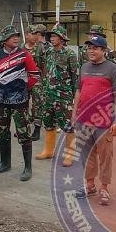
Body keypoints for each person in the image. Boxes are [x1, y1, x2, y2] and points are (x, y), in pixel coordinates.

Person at [72, 35, 116, 205]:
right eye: (89, 48)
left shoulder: (112, 69)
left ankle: (104, 188)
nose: (91, 51)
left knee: (105, 155)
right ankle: (90, 184)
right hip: (83, 120)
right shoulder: (84, 67)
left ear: (103, 50)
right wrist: (74, 114)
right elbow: (79, 91)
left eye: (95, 48)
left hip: (104, 121)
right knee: (86, 155)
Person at [0, 25, 40, 181]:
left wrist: (24, 89)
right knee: (2, 131)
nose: (16, 38)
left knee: (24, 133)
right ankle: (5, 163)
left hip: (20, 101)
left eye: (17, 36)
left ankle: (27, 168)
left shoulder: (25, 55)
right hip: (2, 101)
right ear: (4, 39)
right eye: (12, 36)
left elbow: (35, 75)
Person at [35, 25, 78, 162]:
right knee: (48, 122)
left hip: (64, 96)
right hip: (49, 94)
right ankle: (49, 151)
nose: (52, 39)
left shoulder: (70, 54)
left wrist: (74, 98)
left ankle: (69, 154)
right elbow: (44, 69)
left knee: (67, 125)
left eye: (55, 36)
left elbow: (75, 77)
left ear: (62, 38)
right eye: (51, 36)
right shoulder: (48, 52)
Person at [24, 24, 47, 141]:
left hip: (37, 80)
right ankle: (24, 129)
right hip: (24, 80)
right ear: (26, 35)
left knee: (37, 104)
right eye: (32, 34)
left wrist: (43, 79)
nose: (34, 36)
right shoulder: (22, 48)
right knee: (23, 104)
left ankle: (36, 129)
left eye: (35, 34)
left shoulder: (40, 48)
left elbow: (44, 65)